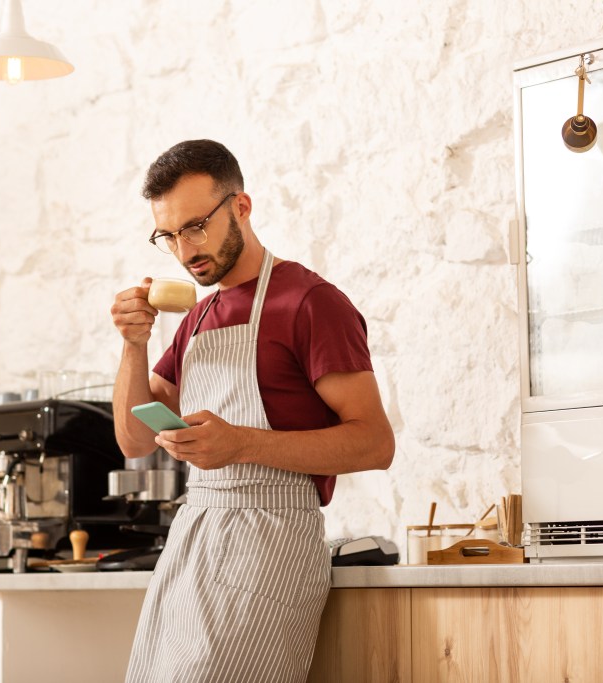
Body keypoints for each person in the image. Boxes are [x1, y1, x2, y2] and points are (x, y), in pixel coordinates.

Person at [110, 139, 394, 682]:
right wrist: (132, 343)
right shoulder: (197, 317)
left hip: (270, 544)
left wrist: (242, 444)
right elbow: (134, 440)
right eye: (167, 235)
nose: (183, 250)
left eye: (195, 226)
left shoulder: (311, 303)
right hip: (194, 538)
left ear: (241, 206)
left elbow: (376, 443)